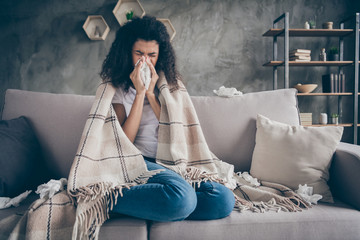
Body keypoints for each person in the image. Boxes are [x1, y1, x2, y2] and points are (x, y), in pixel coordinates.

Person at [100, 16, 235, 221]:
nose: (145, 60)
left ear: (160, 55)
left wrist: (151, 95)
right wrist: (139, 93)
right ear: (128, 52)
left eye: (151, 55)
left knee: (223, 199)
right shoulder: (117, 88)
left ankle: (156, 206)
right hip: (137, 162)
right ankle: (105, 199)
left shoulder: (171, 85)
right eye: (139, 53)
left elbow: (176, 129)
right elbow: (123, 143)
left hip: (172, 161)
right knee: (182, 197)